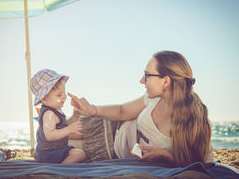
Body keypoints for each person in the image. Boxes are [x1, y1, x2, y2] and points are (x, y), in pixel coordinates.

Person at [68, 51, 213, 167]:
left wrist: (166, 156)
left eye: (147, 75)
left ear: (166, 81)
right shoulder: (153, 98)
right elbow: (122, 111)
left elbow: (200, 163)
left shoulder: (195, 118)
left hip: (110, 151)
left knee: (62, 149)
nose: (142, 81)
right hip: (110, 128)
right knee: (55, 136)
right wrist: (92, 109)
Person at [30, 69, 85, 164]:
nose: (64, 97)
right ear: (44, 99)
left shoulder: (56, 110)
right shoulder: (49, 114)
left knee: (79, 153)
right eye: (59, 95)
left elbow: (63, 125)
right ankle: (60, 167)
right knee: (80, 154)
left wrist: (75, 116)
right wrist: (69, 130)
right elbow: (50, 135)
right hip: (49, 153)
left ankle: (61, 165)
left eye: (64, 92)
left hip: (57, 151)